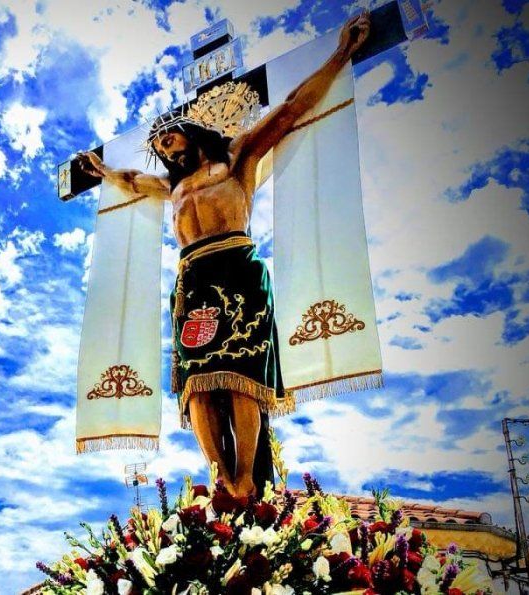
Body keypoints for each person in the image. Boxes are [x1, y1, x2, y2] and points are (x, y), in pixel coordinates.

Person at [78, 13, 370, 497]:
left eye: (168, 135)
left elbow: (292, 108)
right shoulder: (171, 187)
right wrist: (104, 171)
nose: (163, 145)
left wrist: (341, 54)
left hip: (236, 267)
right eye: (158, 144)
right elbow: (129, 180)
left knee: (239, 373)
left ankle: (245, 479)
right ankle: (220, 477)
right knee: (196, 384)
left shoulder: (235, 158)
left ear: (190, 131)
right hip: (191, 279)